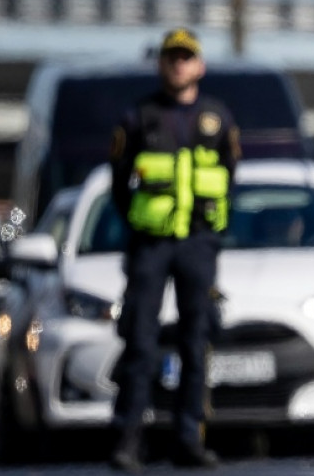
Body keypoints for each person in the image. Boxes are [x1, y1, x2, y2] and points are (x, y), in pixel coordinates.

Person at [107, 27, 241, 472]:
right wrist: (142, 226)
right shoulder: (138, 116)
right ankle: (128, 442)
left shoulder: (218, 118)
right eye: (171, 57)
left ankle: (189, 438)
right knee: (140, 343)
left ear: (199, 65)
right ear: (161, 64)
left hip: (198, 246)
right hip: (151, 245)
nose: (179, 64)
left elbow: (230, 177)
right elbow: (118, 184)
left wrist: (209, 234)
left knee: (195, 342)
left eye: (186, 57)